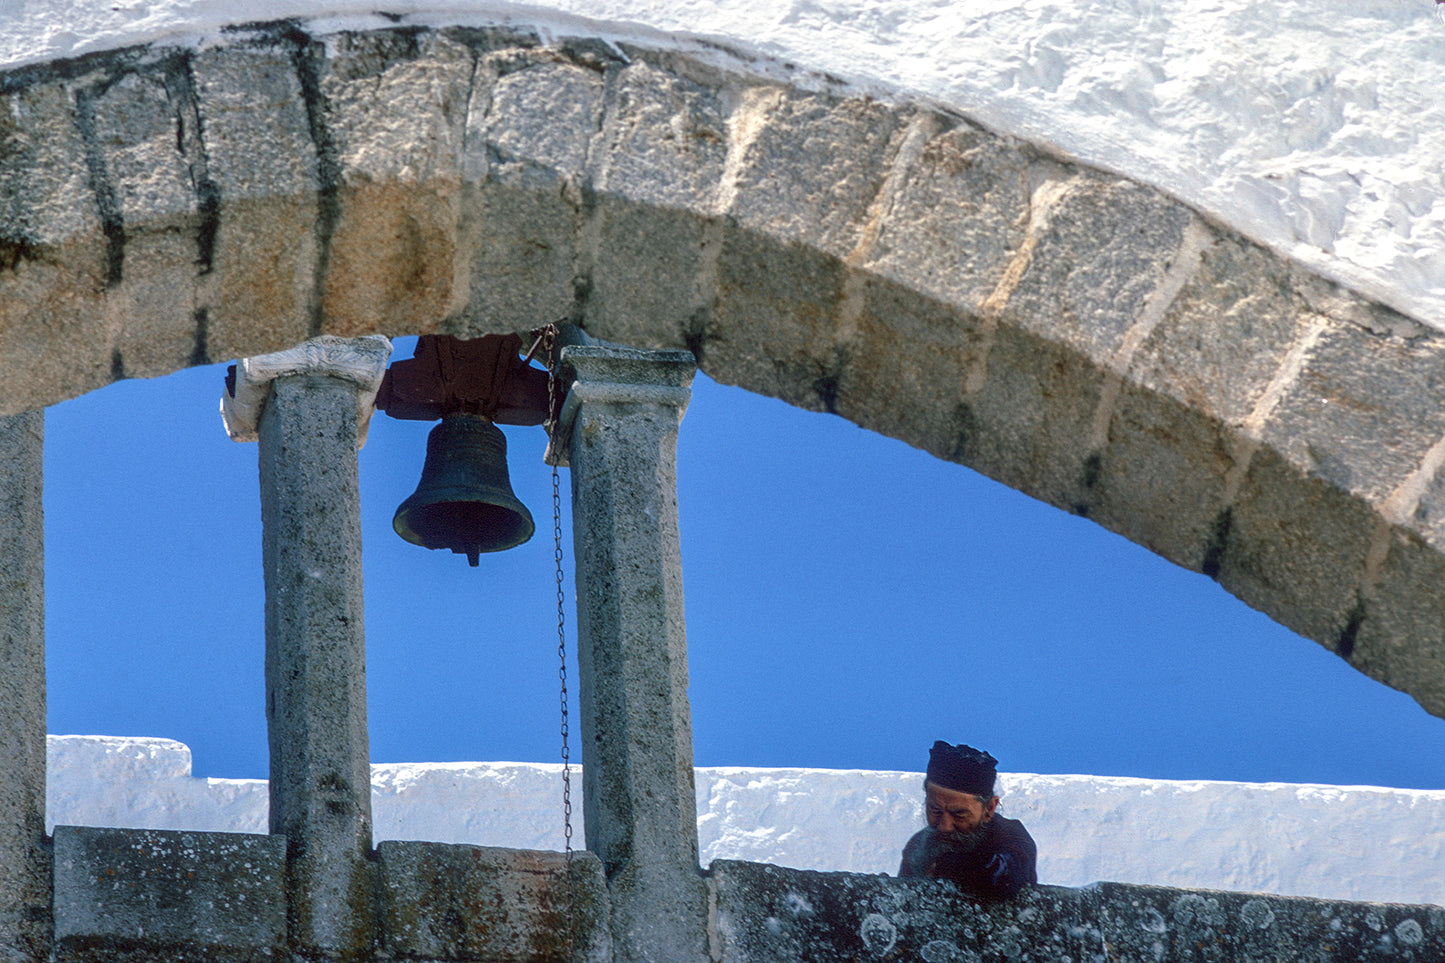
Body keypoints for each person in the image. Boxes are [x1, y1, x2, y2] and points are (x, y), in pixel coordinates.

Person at [898, 741, 1037, 901]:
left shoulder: (1010, 835)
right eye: (935, 810)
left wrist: (950, 865)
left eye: (959, 814)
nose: (945, 827)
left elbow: (1005, 876)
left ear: (989, 808)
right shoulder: (919, 845)